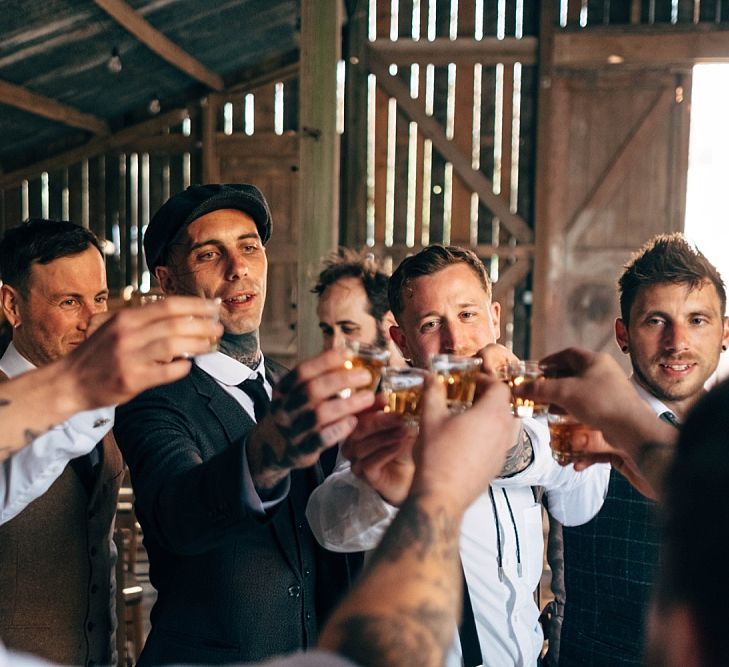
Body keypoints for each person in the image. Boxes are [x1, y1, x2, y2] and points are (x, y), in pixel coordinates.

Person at [307, 244, 610, 666]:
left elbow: (581, 503)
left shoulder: (535, 403)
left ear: (495, 318)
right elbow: (328, 524)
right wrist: (389, 491)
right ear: (402, 340)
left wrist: (518, 439)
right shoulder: (392, 417)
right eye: (432, 324)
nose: (456, 341)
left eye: (468, 314)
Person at [113, 184, 375, 665]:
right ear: (168, 281)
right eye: (210, 254)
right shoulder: (151, 397)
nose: (239, 268)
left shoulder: (291, 385)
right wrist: (264, 456)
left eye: (250, 246)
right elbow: (178, 516)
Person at [555, 233, 728, 667]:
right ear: (623, 334)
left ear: (725, 332)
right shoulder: (578, 423)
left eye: (697, 320)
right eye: (656, 321)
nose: (677, 342)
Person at [0, 220, 117, 666]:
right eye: (69, 302)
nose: (91, 322)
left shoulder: (105, 397)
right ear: (13, 304)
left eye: (100, 299)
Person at [313, 248, 405, 366]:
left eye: (348, 329)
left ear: (388, 325)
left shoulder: (419, 382)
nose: (334, 347)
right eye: (327, 331)